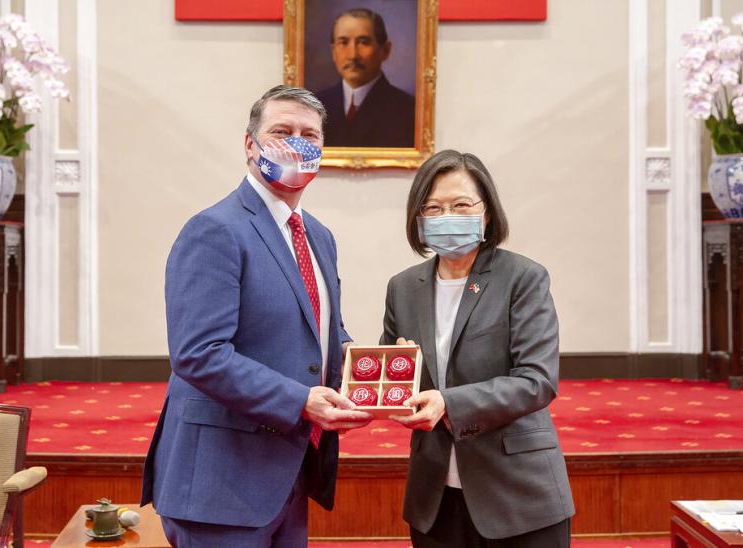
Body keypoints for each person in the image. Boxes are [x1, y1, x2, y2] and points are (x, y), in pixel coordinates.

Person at [141, 85, 373, 547]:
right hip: (221, 481)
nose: (296, 143)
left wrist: (370, 369)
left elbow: (322, 331)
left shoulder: (318, 237)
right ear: (250, 144)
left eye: (309, 135)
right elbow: (199, 355)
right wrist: (300, 401)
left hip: (289, 472)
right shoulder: (215, 229)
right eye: (281, 131)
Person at [381, 150, 575, 547]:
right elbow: (393, 379)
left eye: (461, 205)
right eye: (432, 207)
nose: (446, 215)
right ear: (418, 219)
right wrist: (397, 375)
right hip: (434, 494)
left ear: (486, 212)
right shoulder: (403, 288)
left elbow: (537, 381)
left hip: (518, 495)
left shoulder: (522, 278)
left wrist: (448, 403)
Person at [314, 8, 415, 148]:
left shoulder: (409, 111)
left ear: (385, 50)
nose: (352, 55)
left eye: (364, 42)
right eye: (343, 42)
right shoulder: (313, 107)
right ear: (333, 52)